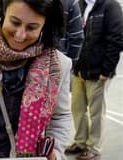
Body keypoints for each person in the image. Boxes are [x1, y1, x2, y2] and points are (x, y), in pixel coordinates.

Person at [0, 0, 73, 160]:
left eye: (32, 28)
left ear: (45, 27)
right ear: (2, 13)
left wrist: (55, 151)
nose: (20, 35)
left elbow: (60, 116)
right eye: (15, 23)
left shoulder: (58, 65)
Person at [65, 0, 123, 159]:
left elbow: (117, 39)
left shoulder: (111, 6)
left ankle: (94, 148)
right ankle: (80, 142)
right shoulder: (80, 5)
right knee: (77, 109)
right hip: (79, 70)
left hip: (98, 72)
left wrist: (106, 70)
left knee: (96, 113)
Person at [59, 0, 84, 66]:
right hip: (59, 62)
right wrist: (70, 64)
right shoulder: (70, 2)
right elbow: (77, 37)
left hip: (31, 57)